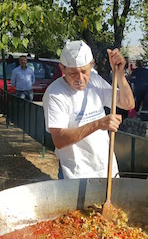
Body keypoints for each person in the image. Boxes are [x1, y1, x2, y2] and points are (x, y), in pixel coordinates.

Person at [42, 40, 135, 179]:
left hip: (106, 169)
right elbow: (59, 140)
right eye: (73, 73)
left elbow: (128, 104)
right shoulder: (55, 94)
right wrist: (98, 124)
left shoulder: (94, 80)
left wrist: (119, 74)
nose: (80, 78)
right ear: (62, 69)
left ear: (91, 65)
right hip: (76, 174)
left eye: (84, 71)